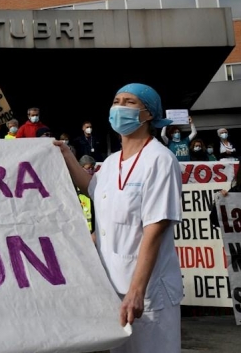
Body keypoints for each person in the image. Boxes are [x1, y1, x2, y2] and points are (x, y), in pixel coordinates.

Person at [55, 83, 182, 353]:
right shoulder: (112, 162)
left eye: (129, 102)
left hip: (146, 293)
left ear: (149, 114)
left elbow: (155, 229)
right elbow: (92, 189)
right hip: (113, 289)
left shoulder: (160, 160)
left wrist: (137, 290)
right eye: (116, 100)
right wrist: (66, 155)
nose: (119, 107)